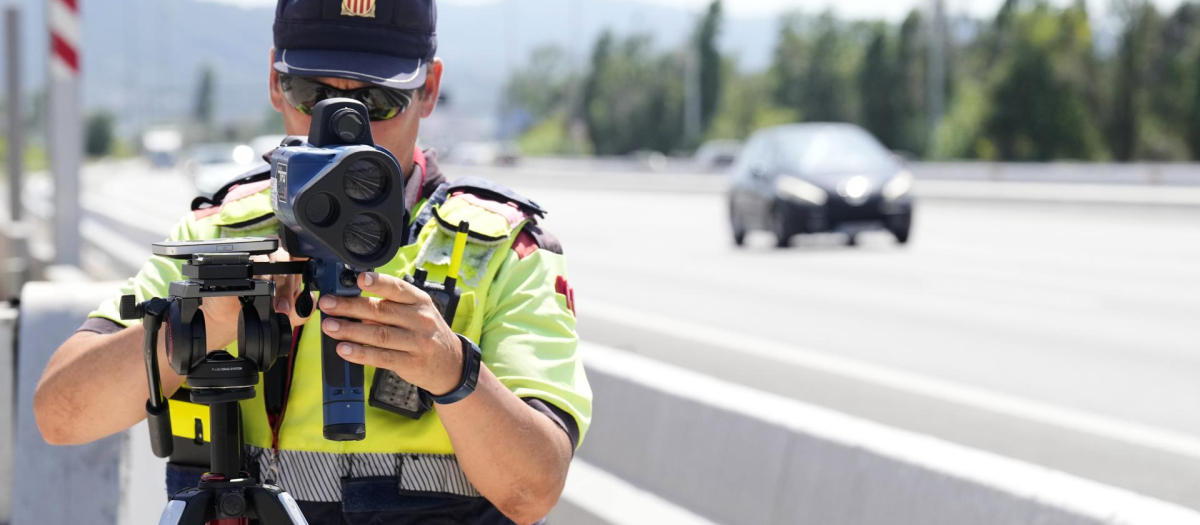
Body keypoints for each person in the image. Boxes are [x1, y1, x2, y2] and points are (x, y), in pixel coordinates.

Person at [31, 1, 591, 523]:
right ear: (275, 81)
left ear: (428, 89)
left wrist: (452, 370)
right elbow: (61, 415)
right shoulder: (216, 235)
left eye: (377, 101)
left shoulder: (501, 251)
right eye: (312, 95)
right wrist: (205, 324)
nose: (345, 131)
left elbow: (532, 491)